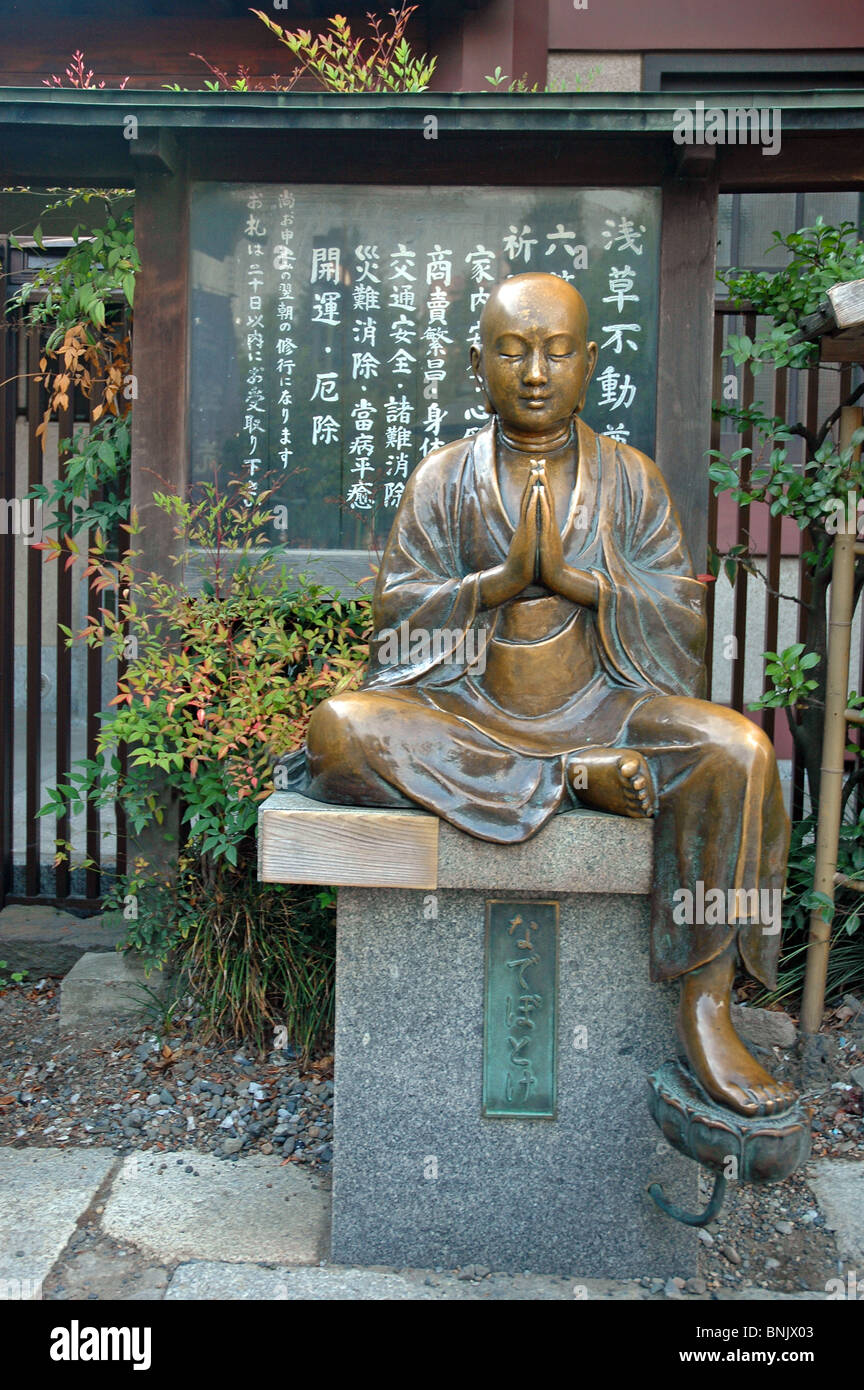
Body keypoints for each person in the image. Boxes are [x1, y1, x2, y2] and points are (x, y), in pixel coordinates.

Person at [288, 271, 794, 1119]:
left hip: (607, 704)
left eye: (557, 352)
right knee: (338, 730)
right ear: (474, 361)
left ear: (589, 362)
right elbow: (394, 635)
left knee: (738, 751)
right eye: (513, 351)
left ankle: (708, 1002)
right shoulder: (443, 479)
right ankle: (568, 780)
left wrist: (580, 583)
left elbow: (682, 626)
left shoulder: (631, 479)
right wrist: (494, 583)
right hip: (468, 713)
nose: (534, 372)